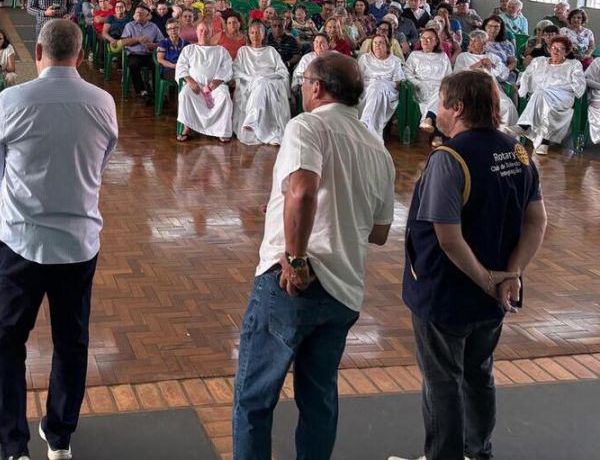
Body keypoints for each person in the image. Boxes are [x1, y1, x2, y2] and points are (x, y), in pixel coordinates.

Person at [233, 52, 395, 460]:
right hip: (344, 290)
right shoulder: (377, 148)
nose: (302, 88)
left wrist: (296, 257)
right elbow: (379, 233)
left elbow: (302, 190)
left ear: (317, 88)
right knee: (319, 400)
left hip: (293, 283)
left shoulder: (307, 125)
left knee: (255, 398)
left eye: (304, 81)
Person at [389, 71, 546, 460]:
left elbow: (448, 236)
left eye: (442, 102)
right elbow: (537, 221)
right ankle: (478, 452)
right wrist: (512, 274)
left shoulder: (450, 158)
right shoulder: (518, 150)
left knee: (443, 381)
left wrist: (487, 279)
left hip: (448, 293)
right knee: (479, 373)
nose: (438, 110)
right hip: (496, 295)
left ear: (457, 108)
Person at [0, 19, 117, 460]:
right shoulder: (102, 102)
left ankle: (14, 447)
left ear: (38, 51)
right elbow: (101, 162)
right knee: (71, 342)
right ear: (79, 55)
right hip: (78, 244)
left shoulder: (12, 100)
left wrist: (26, 201)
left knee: (7, 341)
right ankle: (59, 437)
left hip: (21, 242)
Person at [514, 35, 586, 154]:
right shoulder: (539, 61)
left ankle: (524, 126)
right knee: (542, 95)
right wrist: (524, 88)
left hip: (562, 97)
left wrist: (558, 87)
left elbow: (579, 85)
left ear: (566, 51)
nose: (555, 51)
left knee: (541, 93)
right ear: (549, 49)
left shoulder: (574, 64)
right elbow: (525, 74)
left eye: (560, 48)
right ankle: (544, 142)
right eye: (553, 48)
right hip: (540, 97)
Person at [232, 21, 291, 146]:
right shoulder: (243, 51)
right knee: (260, 84)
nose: (255, 36)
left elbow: (283, 71)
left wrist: (264, 77)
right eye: (252, 33)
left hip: (270, 83)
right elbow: (236, 70)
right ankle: (266, 131)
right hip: (249, 84)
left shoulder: (271, 51)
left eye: (258, 33)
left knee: (263, 84)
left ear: (264, 35)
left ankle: (252, 121)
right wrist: (252, 78)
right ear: (248, 35)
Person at [175, 20, 233, 142]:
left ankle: (222, 130)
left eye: (207, 31)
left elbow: (227, 67)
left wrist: (217, 81)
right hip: (195, 85)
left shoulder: (220, 50)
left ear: (212, 33)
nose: (203, 33)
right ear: (196, 32)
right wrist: (190, 81)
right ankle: (187, 127)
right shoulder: (189, 49)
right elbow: (181, 67)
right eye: (201, 30)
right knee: (185, 94)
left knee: (225, 97)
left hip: (215, 86)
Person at [454, 30, 519, 129]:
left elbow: (503, 75)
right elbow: (457, 75)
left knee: (507, 106)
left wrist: (492, 67)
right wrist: (478, 64)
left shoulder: (493, 57)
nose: (471, 43)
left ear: (484, 43)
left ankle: (501, 135)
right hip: (470, 89)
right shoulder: (463, 57)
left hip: (491, 89)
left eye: (475, 41)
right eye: (471, 40)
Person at [410, 29, 453, 145]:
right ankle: (437, 135)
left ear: (436, 42)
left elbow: (449, 75)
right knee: (441, 97)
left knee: (442, 94)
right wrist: (418, 83)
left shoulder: (443, 56)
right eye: (423, 38)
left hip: (440, 87)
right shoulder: (414, 55)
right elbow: (406, 72)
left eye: (429, 39)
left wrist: (445, 85)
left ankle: (428, 118)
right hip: (421, 87)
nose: (426, 41)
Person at [358, 33, 405, 137]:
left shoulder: (395, 60)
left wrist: (381, 84)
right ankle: (372, 130)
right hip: (366, 89)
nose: (377, 45)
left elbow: (397, 82)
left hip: (388, 90)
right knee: (374, 87)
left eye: (381, 43)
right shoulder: (365, 58)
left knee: (377, 86)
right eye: (375, 43)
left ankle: (365, 121)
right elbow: (358, 77)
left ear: (387, 46)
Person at [119, 6, 164, 102]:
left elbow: (162, 42)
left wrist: (154, 45)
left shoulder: (153, 26)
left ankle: (157, 91)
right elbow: (123, 42)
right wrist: (138, 39)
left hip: (149, 54)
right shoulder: (129, 25)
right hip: (134, 54)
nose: (139, 14)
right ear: (134, 15)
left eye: (141, 13)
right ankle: (142, 91)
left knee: (157, 65)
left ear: (147, 16)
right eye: (137, 12)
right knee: (133, 65)